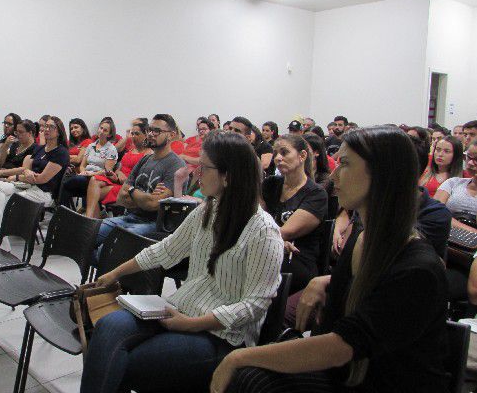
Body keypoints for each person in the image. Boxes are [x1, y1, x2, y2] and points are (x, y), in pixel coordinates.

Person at [211, 126, 449, 393]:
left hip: (383, 382)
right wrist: (329, 280)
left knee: (249, 374)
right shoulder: (362, 238)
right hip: (350, 374)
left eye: (345, 164)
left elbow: (340, 347)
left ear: (382, 174)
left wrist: (239, 357)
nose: (334, 175)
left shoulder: (418, 268)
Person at [80, 131, 284, 393]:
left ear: (227, 176)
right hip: (181, 310)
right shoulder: (207, 210)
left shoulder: (263, 230)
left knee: (127, 363)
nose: (196, 173)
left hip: (220, 336)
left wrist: (192, 324)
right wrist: (115, 274)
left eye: (204, 167)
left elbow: (255, 304)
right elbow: (166, 250)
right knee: (107, 327)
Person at [93, 114, 186, 249]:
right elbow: (120, 198)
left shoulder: (176, 165)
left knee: (108, 249)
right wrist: (145, 197)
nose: (151, 134)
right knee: (88, 235)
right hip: (129, 217)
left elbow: (154, 204)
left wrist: (131, 191)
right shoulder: (145, 159)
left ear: (171, 135)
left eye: (157, 131)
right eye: (150, 130)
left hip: (154, 224)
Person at [0, 116, 70, 242]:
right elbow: (25, 169)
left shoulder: (61, 153)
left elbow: (41, 179)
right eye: (45, 126)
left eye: (51, 127)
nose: (47, 129)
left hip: (43, 193)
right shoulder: (40, 148)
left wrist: (17, 177)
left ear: (59, 131)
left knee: (6, 200)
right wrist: (21, 173)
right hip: (28, 185)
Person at [262, 134, 328, 294]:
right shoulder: (270, 184)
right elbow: (251, 220)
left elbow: (287, 232)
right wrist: (278, 242)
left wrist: (274, 239)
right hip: (266, 252)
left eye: (284, 153)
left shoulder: (316, 194)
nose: (278, 158)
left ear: (302, 155)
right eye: (276, 153)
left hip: (296, 260)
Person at [83, 122, 152, 218]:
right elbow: (119, 168)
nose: (133, 136)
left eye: (137, 134)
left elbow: (141, 179)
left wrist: (121, 179)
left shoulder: (148, 153)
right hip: (118, 180)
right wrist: (116, 174)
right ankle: (92, 219)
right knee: (94, 180)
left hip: (129, 186)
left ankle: (90, 219)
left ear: (146, 135)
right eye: (132, 134)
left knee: (93, 195)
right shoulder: (131, 150)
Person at [60, 120, 119, 208]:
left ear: (110, 134)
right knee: (66, 186)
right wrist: (83, 172)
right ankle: (64, 213)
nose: (101, 131)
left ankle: (68, 212)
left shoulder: (111, 149)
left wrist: (91, 174)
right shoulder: (91, 146)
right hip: (85, 175)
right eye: (101, 128)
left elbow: (107, 172)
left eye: (105, 130)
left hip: (99, 177)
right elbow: (82, 165)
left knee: (69, 182)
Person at [435, 139, 477, 234]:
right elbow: (435, 211)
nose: (470, 163)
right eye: (469, 158)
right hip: (447, 239)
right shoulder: (453, 183)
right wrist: (471, 231)